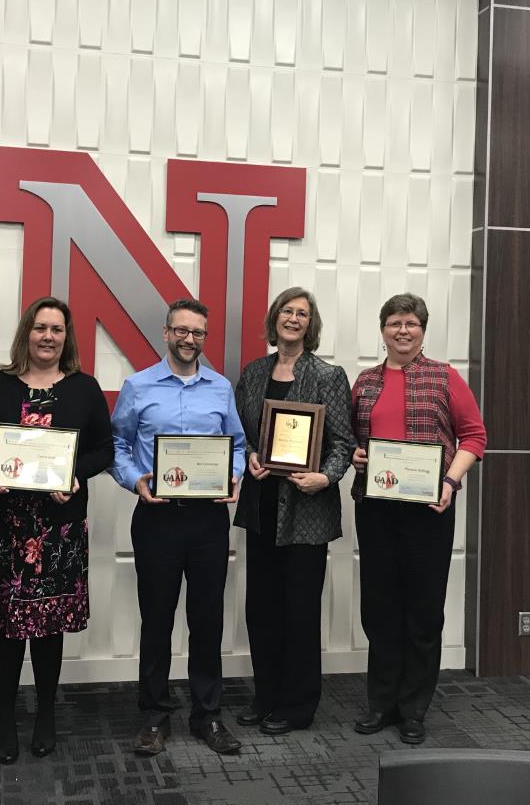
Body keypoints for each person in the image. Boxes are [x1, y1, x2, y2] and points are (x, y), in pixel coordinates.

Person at [0, 297, 113, 763]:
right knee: (5, 628)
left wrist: (77, 475)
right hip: (1, 525)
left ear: (68, 337)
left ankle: (46, 714)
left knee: (48, 627)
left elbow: (103, 449)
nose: (48, 336)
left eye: (57, 329)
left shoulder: (85, 389)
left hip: (56, 529)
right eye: (40, 327)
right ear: (27, 332)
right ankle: (5, 717)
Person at [111, 298, 247, 757]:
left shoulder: (221, 389)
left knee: (207, 620)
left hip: (209, 519)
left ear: (204, 339)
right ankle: (154, 717)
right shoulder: (138, 385)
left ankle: (207, 716)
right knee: (157, 618)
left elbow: (239, 446)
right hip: (157, 517)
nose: (190, 340)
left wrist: (234, 474)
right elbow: (117, 444)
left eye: (198, 333)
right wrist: (136, 480)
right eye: (182, 331)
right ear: (166, 333)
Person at [350, 293, 486, 745]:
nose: (402, 331)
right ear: (382, 328)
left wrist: (449, 482)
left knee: (423, 610)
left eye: (410, 323)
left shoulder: (446, 377)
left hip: (429, 510)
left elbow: (474, 436)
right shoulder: (365, 382)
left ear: (422, 330)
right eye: (394, 323)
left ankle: (413, 708)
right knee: (380, 608)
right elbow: (349, 439)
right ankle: (381, 703)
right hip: (375, 509)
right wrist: (354, 453)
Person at [232, 287, 354, 734]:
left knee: (299, 612)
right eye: (288, 311)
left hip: (306, 510)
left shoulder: (327, 375)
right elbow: (242, 432)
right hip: (262, 506)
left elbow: (344, 443)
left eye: (302, 313)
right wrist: (248, 454)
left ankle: (298, 706)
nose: (294, 319)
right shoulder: (255, 371)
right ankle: (266, 697)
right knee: (261, 609)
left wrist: (327, 476)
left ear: (310, 324)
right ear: (275, 318)